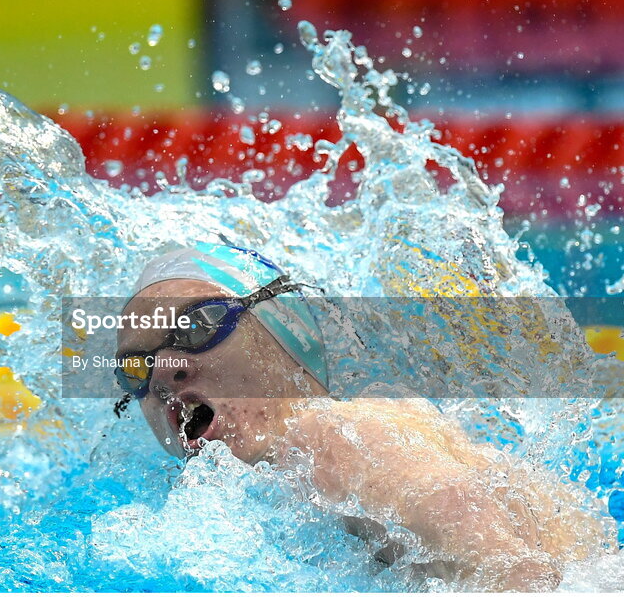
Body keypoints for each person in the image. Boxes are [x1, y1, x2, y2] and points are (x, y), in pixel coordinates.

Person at [113, 242, 613, 591]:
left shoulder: (332, 432)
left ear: (284, 329)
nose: (163, 373)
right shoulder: (296, 478)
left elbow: (512, 568)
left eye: (197, 325)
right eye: (134, 367)